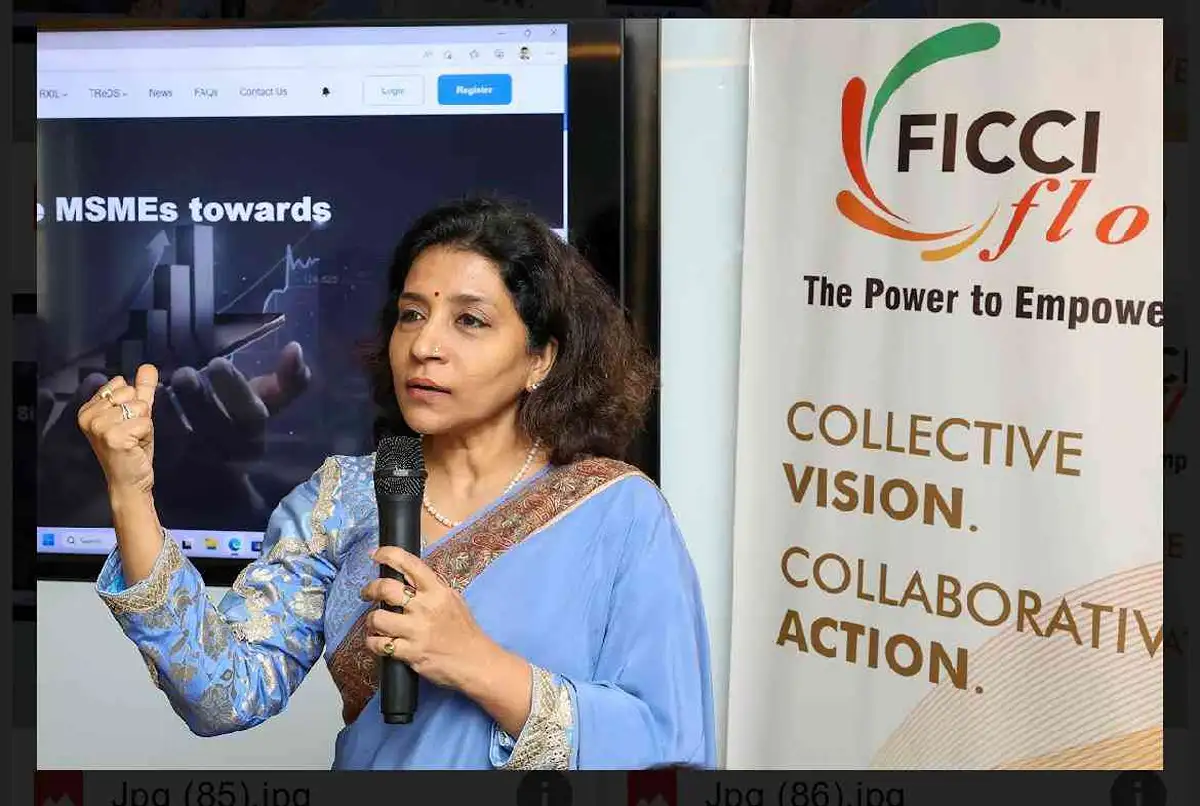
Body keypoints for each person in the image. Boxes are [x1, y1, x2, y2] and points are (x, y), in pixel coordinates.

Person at [79, 197, 716, 770]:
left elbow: (668, 740)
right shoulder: (340, 500)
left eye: (470, 321)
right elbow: (222, 694)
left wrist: (477, 663)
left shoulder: (616, 510)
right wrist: (131, 494)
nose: (424, 345)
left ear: (540, 359)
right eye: (412, 315)